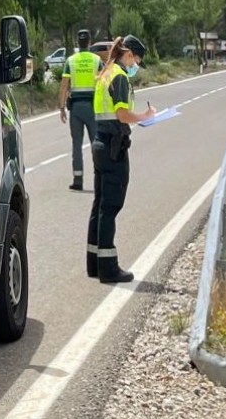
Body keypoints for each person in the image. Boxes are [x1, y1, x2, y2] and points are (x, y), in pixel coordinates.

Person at [87, 35, 155, 284]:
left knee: (99, 204)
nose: (137, 64)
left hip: (100, 143)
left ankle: (94, 263)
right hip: (114, 147)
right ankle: (109, 268)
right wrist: (146, 116)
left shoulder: (106, 73)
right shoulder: (120, 76)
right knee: (111, 206)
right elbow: (122, 114)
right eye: (137, 59)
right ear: (129, 55)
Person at [59, 29, 103, 190]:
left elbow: (64, 85)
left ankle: (78, 180)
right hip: (93, 107)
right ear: (90, 42)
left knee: (76, 144)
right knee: (96, 143)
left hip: (76, 108)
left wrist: (62, 107)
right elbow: (103, 83)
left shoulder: (71, 61)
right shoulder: (97, 60)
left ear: (78, 42)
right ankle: (100, 179)